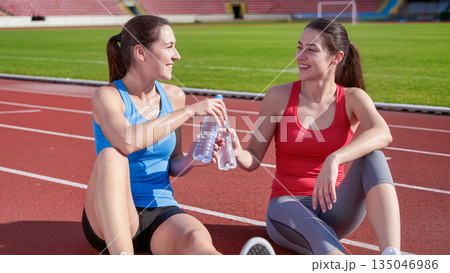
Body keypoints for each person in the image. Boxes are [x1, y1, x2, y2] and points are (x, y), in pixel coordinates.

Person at [81, 15, 275, 255]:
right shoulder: (107, 96)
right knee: (112, 156)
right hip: (111, 218)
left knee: (196, 240)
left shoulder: (173, 96)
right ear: (141, 53)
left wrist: (190, 159)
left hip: (160, 211)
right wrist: (189, 111)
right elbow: (127, 141)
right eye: (169, 46)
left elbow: (173, 163)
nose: (177, 55)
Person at [228, 18, 401, 255]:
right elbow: (253, 157)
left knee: (374, 158)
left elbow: (383, 133)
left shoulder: (352, 98)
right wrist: (237, 151)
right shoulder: (278, 97)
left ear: (336, 58)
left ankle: (391, 256)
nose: (300, 56)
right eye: (299, 47)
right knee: (321, 237)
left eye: (311, 50)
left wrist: (334, 158)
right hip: (287, 207)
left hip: (334, 208)